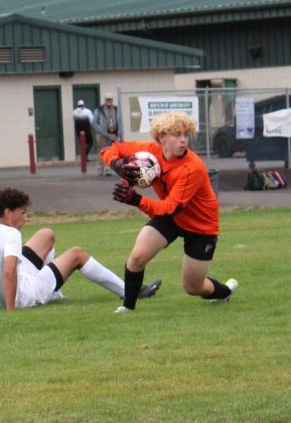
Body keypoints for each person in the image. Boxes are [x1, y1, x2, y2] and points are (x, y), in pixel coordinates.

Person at [101, 112, 237, 313]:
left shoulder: (192, 168)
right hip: (173, 219)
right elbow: (110, 149)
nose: (183, 140)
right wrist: (118, 165)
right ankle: (128, 308)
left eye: (186, 134)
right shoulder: (150, 151)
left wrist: (135, 199)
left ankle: (225, 291)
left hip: (201, 227)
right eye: (176, 134)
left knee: (192, 287)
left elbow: (170, 208)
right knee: (137, 257)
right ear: (161, 137)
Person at [0, 187, 161, 310]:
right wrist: (12, 310)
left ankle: (53, 291)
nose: (25, 218)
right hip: (23, 295)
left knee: (46, 234)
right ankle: (129, 291)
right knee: (77, 254)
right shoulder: (10, 233)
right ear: (8, 212)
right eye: (22, 213)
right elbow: (9, 270)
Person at [93, 93, 123, 176]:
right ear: (105, 100)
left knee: (111, 151)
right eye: (107, 100)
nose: (109, 101)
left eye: (110, 99)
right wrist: (101, 130)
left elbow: (120, 122)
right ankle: (100, 168)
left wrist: (120, 134)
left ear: (112, 100)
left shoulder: (117, 109)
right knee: (101, 151)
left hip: (113, 134)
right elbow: (94, 122)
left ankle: (108, 168)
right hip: (102, 134)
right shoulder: (99, 110)